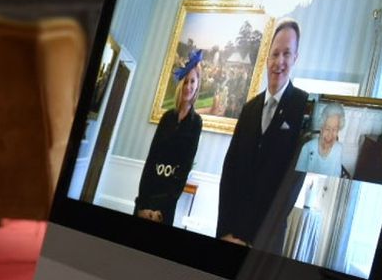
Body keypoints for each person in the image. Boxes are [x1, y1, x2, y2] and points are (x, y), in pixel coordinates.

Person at [216, 19, 310, 250]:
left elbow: (292, 184)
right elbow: (229, 173)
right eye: (275, 53)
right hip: (231, 234)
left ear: (295, 58)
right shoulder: (249, 109)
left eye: (287, 54)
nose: (279, 61)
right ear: (267, 57)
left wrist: (256, 240)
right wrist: (225, 232)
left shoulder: (304, 107)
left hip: (266, 242)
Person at [135, 49, 204, 225]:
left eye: (192, 82)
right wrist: (142, 202)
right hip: (149, 189)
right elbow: (152, 158)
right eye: (185, 81)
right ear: (180, 84)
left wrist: (163, 206)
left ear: (197, 85)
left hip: (166, 201)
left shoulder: (196, 122)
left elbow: (185, 166)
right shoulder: (166, 117)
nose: (188, 86)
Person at [295, 103, 346, 177]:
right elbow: (298, 176)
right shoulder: (307, 147)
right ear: (321, 128)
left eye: (335, 129)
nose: (330, 135)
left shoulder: (339, 148)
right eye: (327, 128)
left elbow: (336, 175)